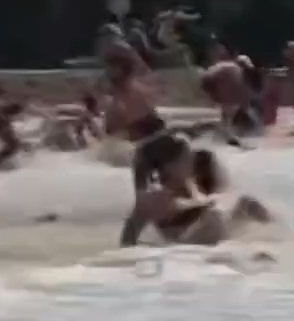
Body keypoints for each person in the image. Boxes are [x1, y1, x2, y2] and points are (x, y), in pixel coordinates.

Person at [119, 134, 271, 247]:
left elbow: (220, 195)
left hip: (205, 228)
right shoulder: (156, 196)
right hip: (184, 242)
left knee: (248, 203)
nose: (191, 160)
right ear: (168, 166)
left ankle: (278, 239)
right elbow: (127, 240)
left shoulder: (198, 169)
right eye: (185, 159)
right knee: (214, 220)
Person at [102, 47, 172, 192]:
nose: (107, 71)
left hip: (148, 135)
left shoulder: (131, 90)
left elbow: (143, 118)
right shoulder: (119, 93)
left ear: (122, 68)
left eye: (111, 67)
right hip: (141, 136)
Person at [200, 58, 259, 144]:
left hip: (208, 79)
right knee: (229, 109)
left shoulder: (230, 68)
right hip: (213, 80)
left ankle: (225, 132)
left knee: (228, 109)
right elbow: (237, 93)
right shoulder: (235, 72)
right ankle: (227, 133)